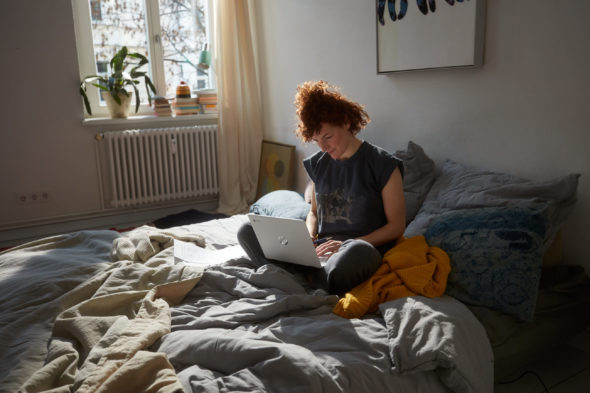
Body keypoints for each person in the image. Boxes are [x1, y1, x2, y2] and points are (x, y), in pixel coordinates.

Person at [238, 80, 406, 295]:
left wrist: (347, 244)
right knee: (248, 230)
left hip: (357, 249)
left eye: (327, 137)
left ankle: (296, 279)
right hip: (320, 253)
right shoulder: (318, 163)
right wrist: (308, 238)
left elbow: (396, 227)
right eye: (317, 140)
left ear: (346, 122)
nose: (324, 147)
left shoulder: (383, 164)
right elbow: (314, 213)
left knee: (359, 252)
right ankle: (309, 279)